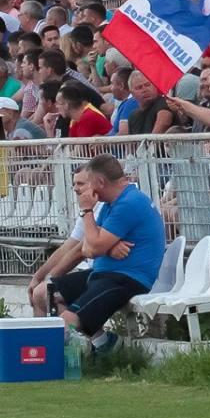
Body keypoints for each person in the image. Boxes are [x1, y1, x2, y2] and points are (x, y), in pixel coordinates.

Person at [49, 153, 166, 357]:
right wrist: (108, 247)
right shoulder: (112, 204)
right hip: (104, 271)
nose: (85, 190)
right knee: (48, 294)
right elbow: (87, 248)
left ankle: (48, 363)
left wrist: (86, 211)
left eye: (89, 184)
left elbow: (92, 248)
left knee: (68, 320)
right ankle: (104, 343)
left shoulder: (128, 203)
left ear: (101, 182)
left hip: (125, 278)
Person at [28, 164, 98, 316]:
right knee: (38, 292)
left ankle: (92, 339)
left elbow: (81, 250)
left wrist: (50, 278)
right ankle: (43, 339)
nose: (75, 188)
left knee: (45, 292)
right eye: (73, 184)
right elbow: (68, 247)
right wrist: (37, 277)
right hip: (93, 272)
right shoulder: (87, 209)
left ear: (96, 184)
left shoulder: (101, 207)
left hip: (106, 274)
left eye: (80, 184)